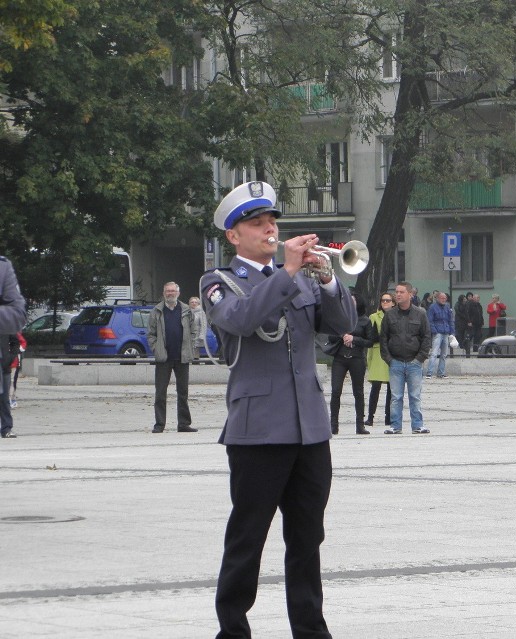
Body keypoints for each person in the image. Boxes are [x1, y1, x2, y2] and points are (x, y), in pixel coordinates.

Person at [201, 181, 356, 639]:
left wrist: (328, 279)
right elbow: (242, 319)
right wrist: (288, 272)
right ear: (234, 235)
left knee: (308, 539)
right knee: (247, 539)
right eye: (257, 223)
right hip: (258, 431)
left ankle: (311, 630)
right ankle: (232, 631)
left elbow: (344, 325)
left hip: (309, 430)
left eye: (272, 221)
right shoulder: (220, 281)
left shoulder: (302, 277)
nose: (269, 229)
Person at [380, 281, 431, 434]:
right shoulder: (389, 315)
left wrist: (420, 358)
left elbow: (426, 337)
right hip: (395, 362)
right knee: (396, 397)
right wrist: (389, 359)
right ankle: (395, 426)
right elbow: (383, 339)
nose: (398, 295)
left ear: (410, 294)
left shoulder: (420, 313)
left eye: (401, 292)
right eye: (397, 292)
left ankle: (417, 425)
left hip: (414, 362)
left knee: (415, 396)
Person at [147, 281, 197, 433]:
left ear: (178, 293)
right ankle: (159, 424)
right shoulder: (156, 311)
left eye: (173, 291)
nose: (170, 293)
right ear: (164, 293)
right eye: (168, 291)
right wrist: (157, 349)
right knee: (160, 392)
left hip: (182, 357)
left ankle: (183, 424)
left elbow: (194, 332)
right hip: (164, 358)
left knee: (183, 392)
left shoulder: (187, 310)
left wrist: (191, 347)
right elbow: (151, 334)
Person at [327, 293, 374, 435]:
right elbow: (330, 336)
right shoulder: (340, 318)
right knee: (335, 391)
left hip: (357, 358)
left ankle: (360, 425)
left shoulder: (365, 321)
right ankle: (333, 425)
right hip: (340, 358)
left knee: (358, 392)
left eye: (352, 300)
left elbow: (370, 341)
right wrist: (342, 336)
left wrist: (354, 339)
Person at [0, 255, 26, 438]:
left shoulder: (3, 267)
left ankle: (6, 428)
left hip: (4, 365)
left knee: (4, 399)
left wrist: (11, 357)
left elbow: (17, 341)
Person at [365, 294, 394, 428]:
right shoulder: (374, 317)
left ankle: (389, 417)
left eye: (388, 300)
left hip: (392, 353)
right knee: (375, 387)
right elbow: (370, 336)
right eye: (383, 300)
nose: (385, 303)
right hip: (377, 353)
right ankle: (370, 417)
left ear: (393, 303)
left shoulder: (396, 316)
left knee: (391, 389)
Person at [426, 291, 454, 378]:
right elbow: (430, 320)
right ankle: (429, 372)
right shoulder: (432, 307)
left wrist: (452, 332)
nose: (444, 300)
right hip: (438, 332)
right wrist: (434, 331)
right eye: (442, 298)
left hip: (445, 332)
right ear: (437, 298)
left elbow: (450, 320)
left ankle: (441, 373)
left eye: (445, 298)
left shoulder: (447, 307)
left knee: (444, 354)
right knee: (434, 353)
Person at [9, 331, 25, 408]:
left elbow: (23, 343)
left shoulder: (15, 333)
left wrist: (18, 351)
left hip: (14, 360)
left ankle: (12, 398)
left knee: (12, 380)